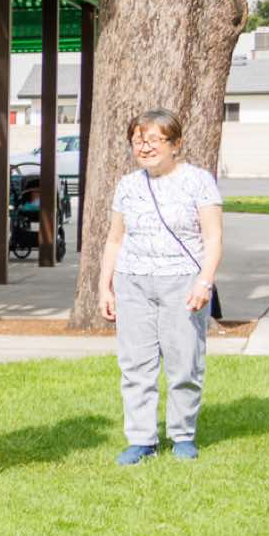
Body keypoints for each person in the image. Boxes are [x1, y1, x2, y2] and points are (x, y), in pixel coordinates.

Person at [97, 109, 223, 465]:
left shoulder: (199, 181)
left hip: (182, 282)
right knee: (135, 365)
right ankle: (141, 439)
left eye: (154, 140)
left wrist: (204, 282)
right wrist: (105, 286)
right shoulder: (128, 185)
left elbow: (213, 238)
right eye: (138, 140)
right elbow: (115, 239)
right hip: (133, 282)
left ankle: (183, 435)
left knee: (184, 363)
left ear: (175, 144)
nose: (145, 147)